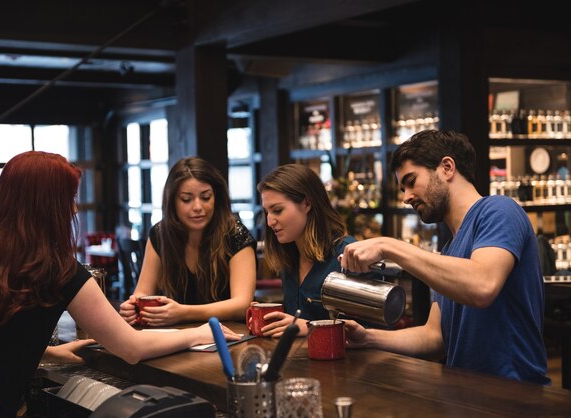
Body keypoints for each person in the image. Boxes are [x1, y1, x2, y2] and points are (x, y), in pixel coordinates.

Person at [0, 151, 240, 418]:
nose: (74, 209)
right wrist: (196, 335)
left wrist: (44, 353)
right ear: (48, 205)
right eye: (69, 198)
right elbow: (131, 347)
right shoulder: (56, 269)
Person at [340, 130, 550, 385]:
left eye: (411, 180)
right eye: (402, 188)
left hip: (515, 395)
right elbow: (435, 337)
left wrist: (390, 246)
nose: (406, 197)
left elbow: (482, 285)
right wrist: (368, 338)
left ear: (447, 167)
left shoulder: (499, 210)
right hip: (463, 395)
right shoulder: (449, 251)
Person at [119, 157, 256, 327]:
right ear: (172, 202)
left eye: (206, 197)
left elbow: (242, 305)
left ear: (216, 198)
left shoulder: (235, 235)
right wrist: (133, 306)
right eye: (186, 199)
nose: (198, 207)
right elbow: (142, 292)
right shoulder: (160, 234)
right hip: (176, 338)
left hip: (229, 337)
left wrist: (183, 313)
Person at [254, 164, 355, 337]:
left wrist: (310, 327)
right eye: (267, 212)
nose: (270, 221)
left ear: (307, 203)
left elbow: (371, 333)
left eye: (277, 210)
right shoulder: (289, 255)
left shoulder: (347, 254)